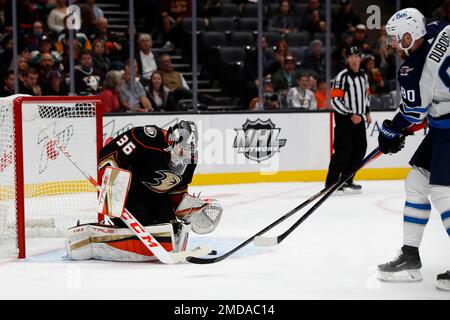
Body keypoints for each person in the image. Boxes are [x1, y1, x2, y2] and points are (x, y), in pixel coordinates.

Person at [376, 8, 450, 291]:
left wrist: (391, 131)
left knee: (443, 191)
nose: (393, 44)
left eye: (396, 39)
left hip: (448, 130)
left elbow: (412, 115)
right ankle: (410, 256)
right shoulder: (439, 28)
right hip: (443, 128)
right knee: (417, 181)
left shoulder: (413, 69)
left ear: (410, 36)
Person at [86, 121, 222, 261]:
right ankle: (115, 229)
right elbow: (110, 154)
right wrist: (110, 181)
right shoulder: (147, 138)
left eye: (187, 152)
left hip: (158, 199)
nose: (182, 156)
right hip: (130, 197)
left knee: (170, 231)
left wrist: (187, 207)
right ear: (171, 141)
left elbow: (177, 190)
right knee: (146, 225)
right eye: (181, 150)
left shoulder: (191, 159)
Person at [325, 46, 372, 193]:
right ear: (347, 60)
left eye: (357, 56)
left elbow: (366, 95)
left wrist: (367, 112)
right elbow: (335, 100)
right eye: (351, 56)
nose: (354, 59)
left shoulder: (364, 75)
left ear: (360, 58)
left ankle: (346, 179)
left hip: (359, 118)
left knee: (360, 150)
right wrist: (350, 114)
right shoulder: (342, 77)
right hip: (345, 119)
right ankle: (331, 182)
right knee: (342, 152)